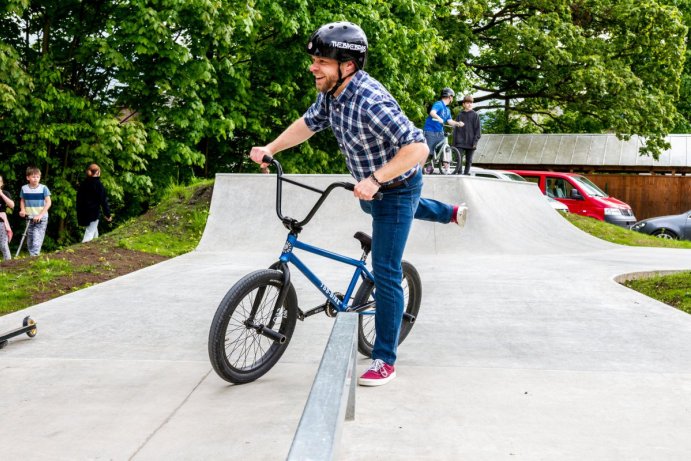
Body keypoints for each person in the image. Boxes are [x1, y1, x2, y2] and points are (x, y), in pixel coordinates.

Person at [250, 21, 468, 387]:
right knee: (376, 211)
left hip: (395, 186)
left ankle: (385, 358)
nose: (312, 67)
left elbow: (419, 148)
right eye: (313, 60)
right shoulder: (331, 95)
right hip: (370, 191)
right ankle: (446, 213)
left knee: (385, 268)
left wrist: (376, 179)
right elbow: (308, 123)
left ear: (347, 66)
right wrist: (271, 147)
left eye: (321, 61)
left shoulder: (371, 101)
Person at [423, 87, 464, 174]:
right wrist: (438, 118)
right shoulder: (439, 104)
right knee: (429, 152)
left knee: (447, 150)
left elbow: (449, 121)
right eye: (452, 97)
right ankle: (423, 167)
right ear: (449, 96)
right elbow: (432, 112)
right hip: (431, 131)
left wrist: (457, 123)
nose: (452, 99)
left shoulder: (447, 110)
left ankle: (447, 169)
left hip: (440, 132)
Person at [18, 166, 51, 256]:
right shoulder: (24, 188)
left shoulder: (43, 188)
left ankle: (34, 257)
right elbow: (22, 200)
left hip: (41, 218)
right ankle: (33, 257)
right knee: (30, 240)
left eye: (37, 177)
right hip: (29, 217)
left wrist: (40, 215)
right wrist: (22, 210)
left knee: (37, 239)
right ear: (28, 177)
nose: (35, 179)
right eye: (33, 176)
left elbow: (48, 202)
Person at [76, 164, 112, 242]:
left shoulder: (83, 184)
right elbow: (103, 201)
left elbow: (79, 199)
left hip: (83, 212)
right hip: (93, 213)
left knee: (94, 233)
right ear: (97, 172)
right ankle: (82, 251)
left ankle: (95, 248)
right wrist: (107, 215)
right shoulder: (98, 185)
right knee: (89, 234)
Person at [453, 95, 482, 175]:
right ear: (463, 104)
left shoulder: (475, 115)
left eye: (471, 103)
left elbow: (478, 130)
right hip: (460, 142)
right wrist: (454, 143)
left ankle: (466, 175)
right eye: (467, 103)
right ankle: (459, 174)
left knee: (469, 160)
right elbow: (455, 129)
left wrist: (475, 142)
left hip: (471, 142)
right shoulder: (460, 115)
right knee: (459, 159)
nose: (469, 104)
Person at [0, 175, 15, 260]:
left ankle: (8, 263)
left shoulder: (5, 193)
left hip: (1, 222)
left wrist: (1, 194)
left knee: (3, 245)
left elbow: (12, 205)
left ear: (1, 183)